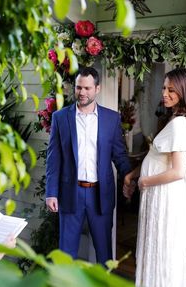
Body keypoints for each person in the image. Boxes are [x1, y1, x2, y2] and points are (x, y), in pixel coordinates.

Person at [123, 68, 186, 287]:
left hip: (164, 197)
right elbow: (156, 157)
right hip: (161, 195)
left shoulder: (178, 124)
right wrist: (132, 175)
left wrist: (144, 182)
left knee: (161, 249)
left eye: (171, 90)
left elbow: (177, 171)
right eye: (164, 88)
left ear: (184, 92)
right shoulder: (176, 119)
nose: (165, 93)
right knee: (157, 248)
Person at [46, 67, 131, 264]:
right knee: (65, 255)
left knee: (104, 253)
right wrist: (51, 192)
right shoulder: (60, 118)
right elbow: (54, 158)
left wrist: (131, 177)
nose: (82, 92)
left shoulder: (112, 119)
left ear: (97, 88)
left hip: (100, 194)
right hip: (70, 192)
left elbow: (119, 155)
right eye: (78, 88)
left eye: (87, 88)